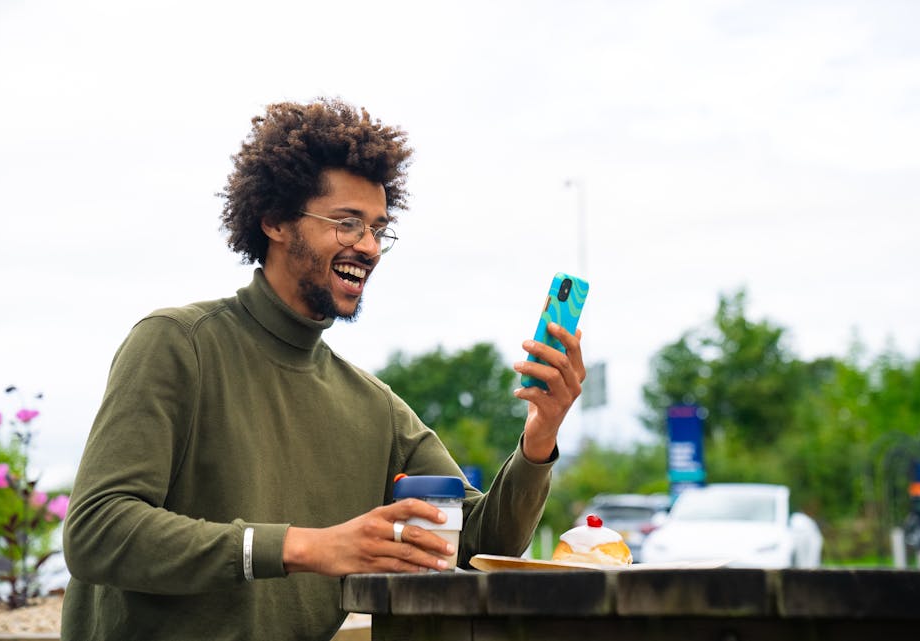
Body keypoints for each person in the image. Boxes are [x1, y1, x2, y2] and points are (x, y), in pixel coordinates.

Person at [61, 97, 585, 641]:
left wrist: (540, 435)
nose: (370, 247)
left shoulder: (372, 406)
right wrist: (307, 547)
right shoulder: (177, 344)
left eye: (378, 228)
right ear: (275, 221)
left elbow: (478, 542)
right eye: (347, 223)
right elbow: (98, 531)